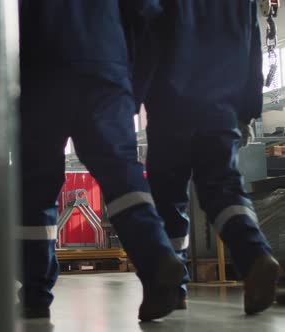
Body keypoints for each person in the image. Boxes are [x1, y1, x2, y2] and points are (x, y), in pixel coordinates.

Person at [17, 0, 183, 322]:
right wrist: (132, 88)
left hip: (43, 71)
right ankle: (158, 257)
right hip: (107, 70)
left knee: (35, 184)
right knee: (121, 172)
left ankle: (35, 296)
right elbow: (151, 21)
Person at [129, 0, 281, 314]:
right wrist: (248, 110)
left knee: (168, 197)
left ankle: (170, 287)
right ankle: (254, 255)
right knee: (223, 188)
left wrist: (134, 96)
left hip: (172, 102)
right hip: (223, 107)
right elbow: (253, 46)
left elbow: (149, 33)